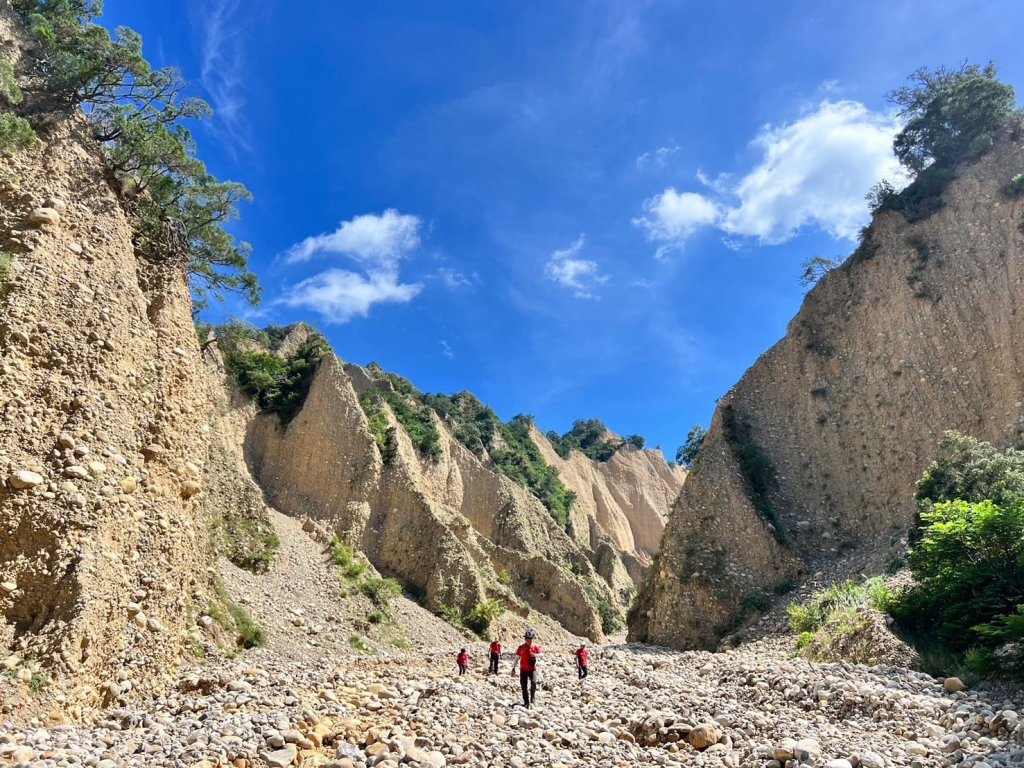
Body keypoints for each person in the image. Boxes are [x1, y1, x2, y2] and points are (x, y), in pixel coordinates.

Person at [511, 629, 541, 708]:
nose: (529, 641)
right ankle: (526, 702)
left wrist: (534, 655)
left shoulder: (535, 647)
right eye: (527, 639)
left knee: (534, 682)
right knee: (524, 686)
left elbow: (541, 655)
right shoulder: (521, 648)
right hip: (523, 670)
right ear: (525, 639)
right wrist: (513, 668)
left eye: (530, 639)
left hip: (532, 669)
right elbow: (516, 658)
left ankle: (532, 696)